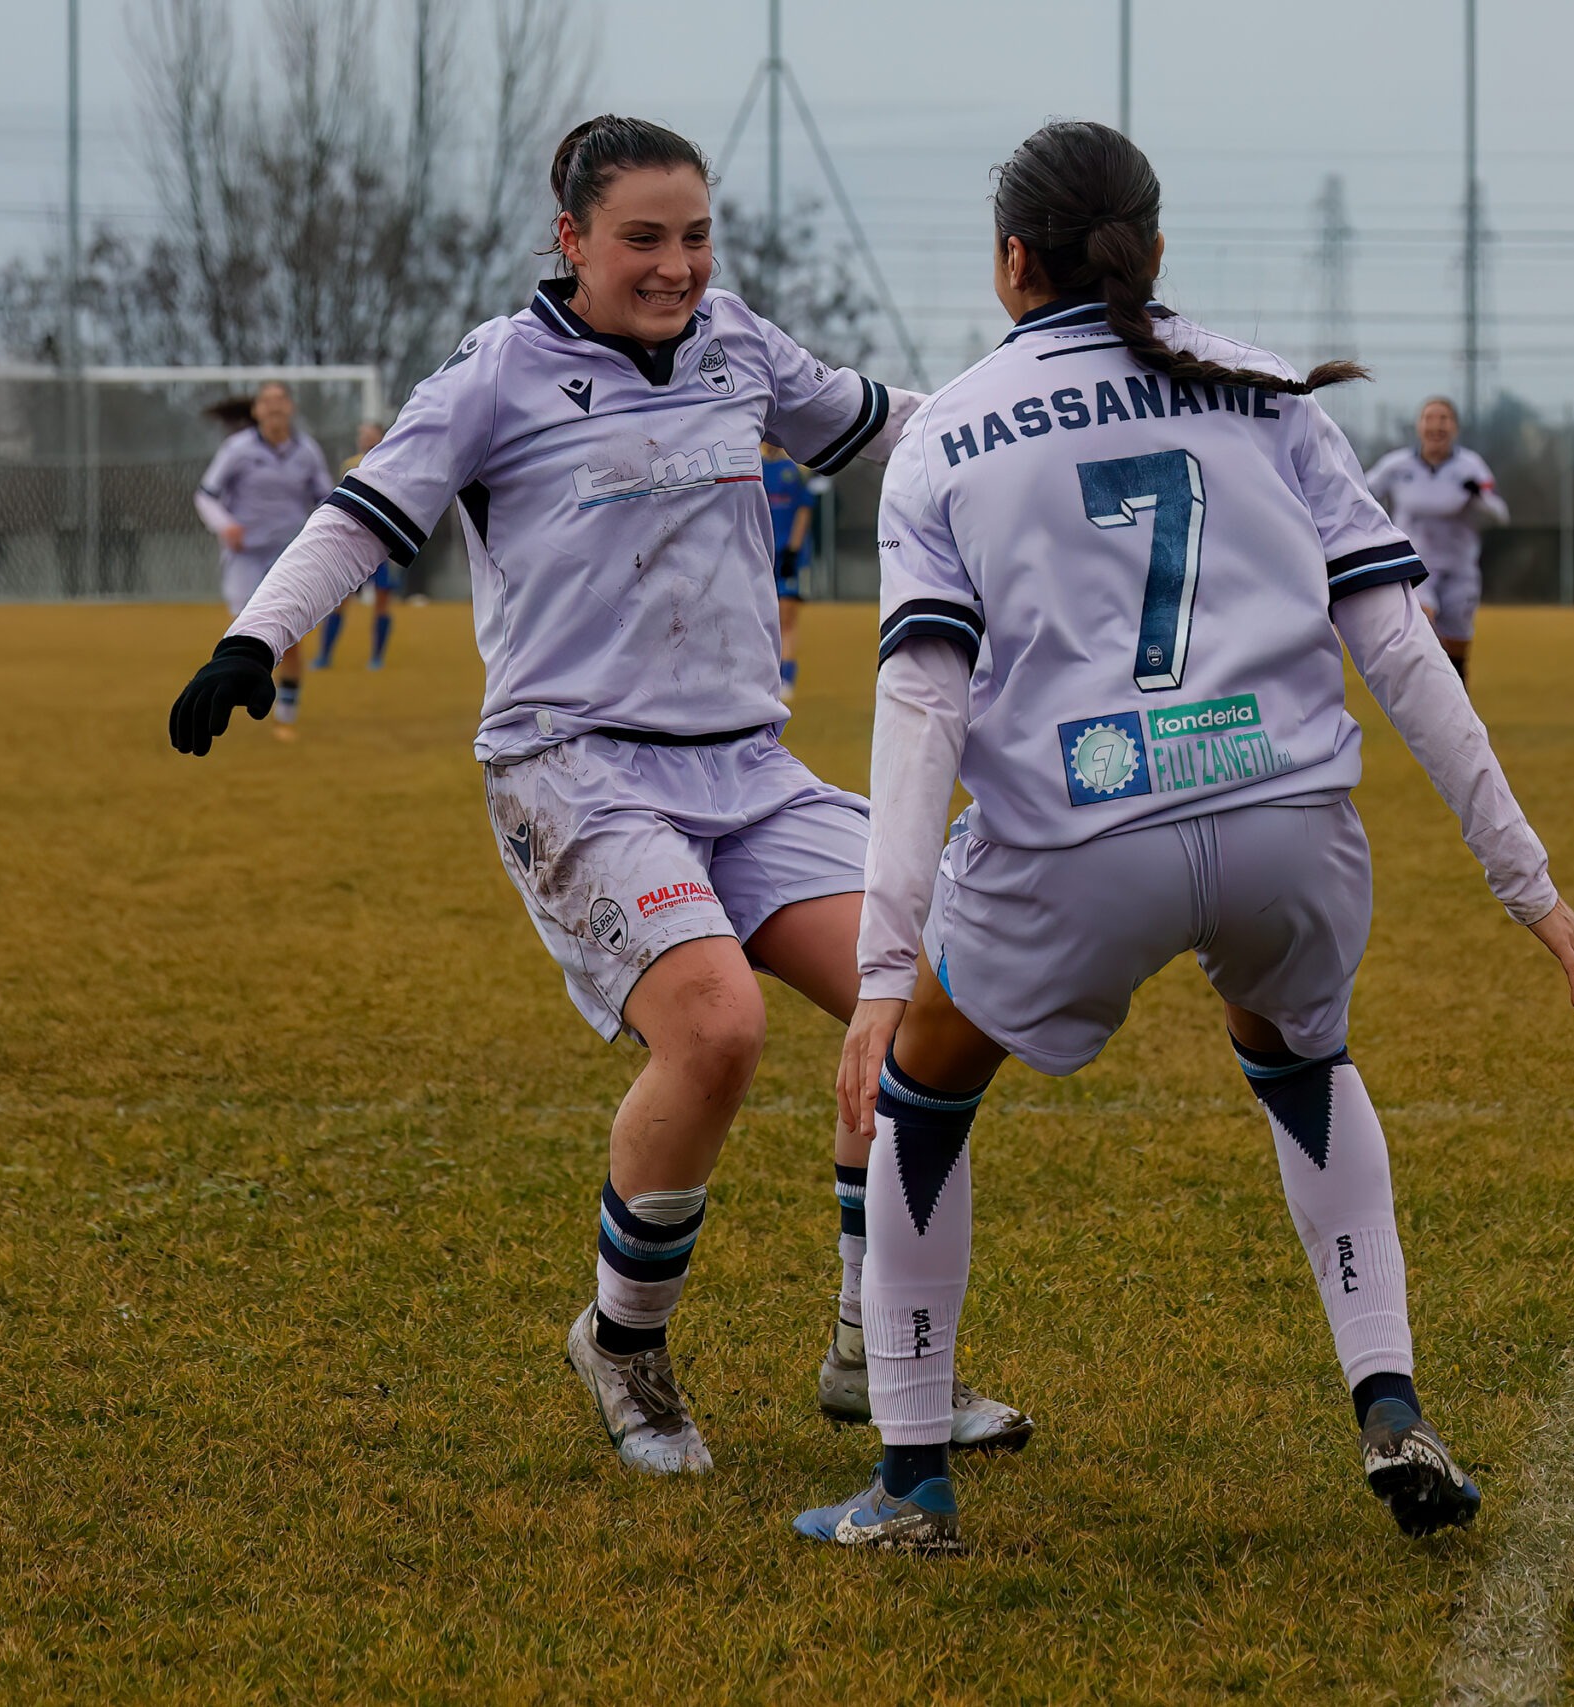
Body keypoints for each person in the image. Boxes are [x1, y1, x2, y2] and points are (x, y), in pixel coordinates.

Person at [166, 114, 1029, 1476]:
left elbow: (891, 428)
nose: (677, 265)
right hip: (576, 766)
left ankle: (881, 1348)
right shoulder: (497, 373)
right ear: (570, 239)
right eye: (643, 238)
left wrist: (1039, 420)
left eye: (695, 236)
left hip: (747, 766)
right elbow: (364, 514)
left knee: (930, 1000)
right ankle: (623, 1342)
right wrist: (251, 640)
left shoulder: (738, 341)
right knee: (717, 1026)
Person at [793, 120, 1574, 1553]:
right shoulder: (1270, 393)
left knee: (922, 1092)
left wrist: (879, 971)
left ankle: (910, 1484)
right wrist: (1523, 876)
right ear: (1154, 250)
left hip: (1078, 840)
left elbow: (921, 707)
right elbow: (1400, 647)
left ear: (1010, 262)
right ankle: (1389, 1400)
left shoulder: (947, 437)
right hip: (1286, 821)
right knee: (1300, 1059)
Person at [195, 381, 333, 739]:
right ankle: (228, 703)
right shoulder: (237, 449)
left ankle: (286, 714)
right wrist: (225, 525)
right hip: (246, 556)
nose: (274, 406)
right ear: (256, 410)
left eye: (280, 399)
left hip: (289, 554)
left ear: (290, 407)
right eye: (266, 401)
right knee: (245, 632)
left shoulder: (307, 451)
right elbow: (206, 495)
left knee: (289, 633)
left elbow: (327, 498)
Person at [1365, 397, 1507, 684]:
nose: (1436, 426)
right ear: (1419, 426)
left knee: (1456, 651)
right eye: (1429, 418)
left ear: (1455, 427)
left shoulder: (1470, 466)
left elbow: (1500, 514)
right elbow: (1360, 495)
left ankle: (1457, 700)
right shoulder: (1396, 466)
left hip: (1459, 569)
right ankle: (1425, 692)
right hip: (1415, 566)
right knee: (1423, 624)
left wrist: (1478, 496)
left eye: (1444, 419)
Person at [315, 421, 397, 670]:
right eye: (362, 434)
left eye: (370, 434)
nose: (365, 438)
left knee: (382, 601)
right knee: (339, 600)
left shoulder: (392, 462)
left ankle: (377, 656)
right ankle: (324, 655)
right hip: (352, 545)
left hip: (382, 546)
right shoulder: (350, 465)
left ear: (381, 437)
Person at [763, 442, 819, 699]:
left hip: (787, 557)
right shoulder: (754, 467)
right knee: (762, 619)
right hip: (761, 556)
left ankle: (787, 675)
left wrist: (793, 549)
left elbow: (804, 510)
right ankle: (766, 675)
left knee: (786, 617)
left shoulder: (792, 470)